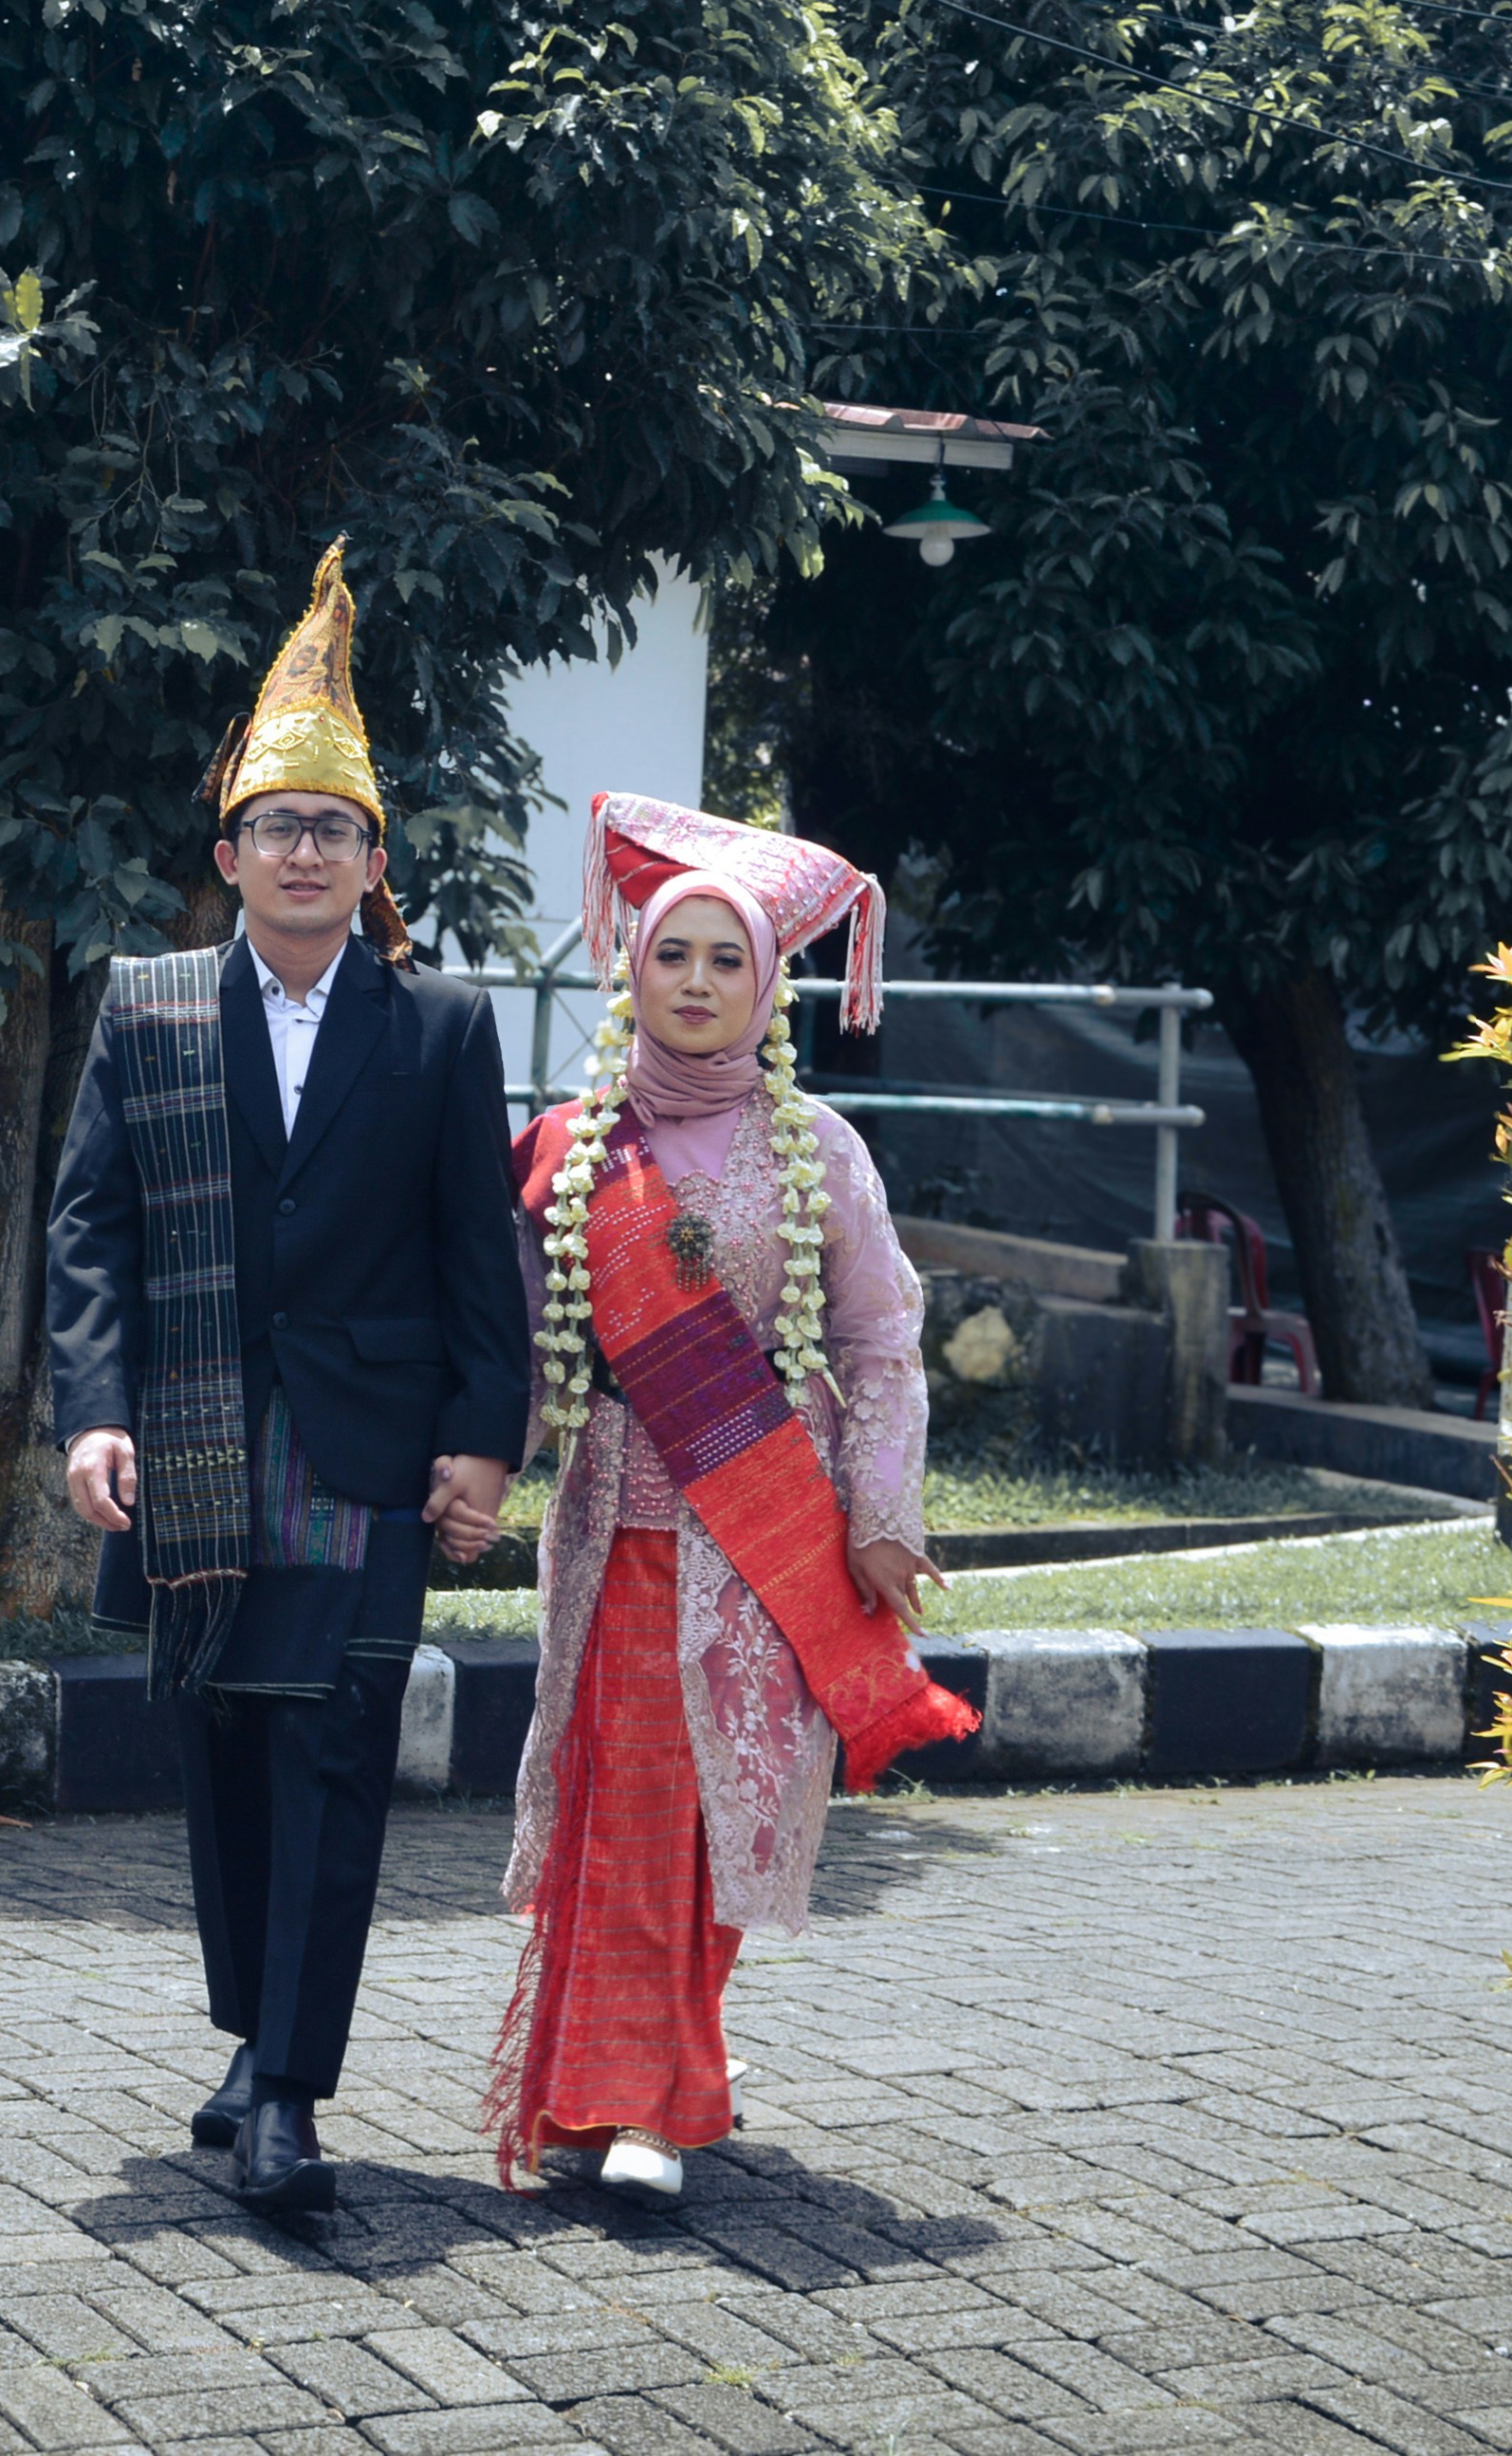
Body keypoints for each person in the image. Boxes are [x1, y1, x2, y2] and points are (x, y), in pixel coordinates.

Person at [43, 542, 529, 2216]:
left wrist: (485, 1440)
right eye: (275, 828)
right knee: (224, 1750)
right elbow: (91, 1228)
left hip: (366, 1450)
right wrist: (92, 1404)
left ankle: (293, 2096)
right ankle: (252, 2040)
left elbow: (487, 1253)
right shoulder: (149, 1011)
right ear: (230, 852)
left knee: (331, 1746)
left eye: (333, 829)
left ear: (373, 858)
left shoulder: (445, 1026)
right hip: (188, 1444)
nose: (303, 853)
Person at [488, 793, 969, 2197]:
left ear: (770, 987)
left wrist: (883, 1516)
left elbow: (883, 1346)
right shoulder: (568, 1151)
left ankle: (653, 2090)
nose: (696, 984)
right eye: (671, 955)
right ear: (629, 969)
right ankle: (627, 2097)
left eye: (727, 961)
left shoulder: (823, 1149)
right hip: (612, 1529)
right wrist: (464, 1466)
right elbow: (518, 1345)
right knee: (623, 1804)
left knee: (723, 1813)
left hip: (769, 1533)